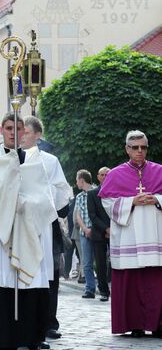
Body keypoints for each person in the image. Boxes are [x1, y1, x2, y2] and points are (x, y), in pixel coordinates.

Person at [0, 113, 57, 350]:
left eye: (18, 128)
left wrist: (27, 203)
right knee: (3, 285)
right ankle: (3, 339)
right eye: (9, 128)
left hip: (28, 231)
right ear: (1, 129)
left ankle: (29, 338)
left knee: (28, 288)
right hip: (1, 236)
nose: (13, 132)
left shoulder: (35, 162)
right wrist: (12, 198)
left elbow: (46, 200)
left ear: (24, 132)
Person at [99, 130, 162, 337]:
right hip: (129, 237)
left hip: (155, 236)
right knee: (131, 283)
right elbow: (107, 203)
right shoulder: (115, 174)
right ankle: (135, 325)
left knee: (155, 283)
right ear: (127, 149)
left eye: (143, 147)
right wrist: (131, 201)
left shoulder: (159, 170)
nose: (140, 151)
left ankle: (158, 325)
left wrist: (158, 200)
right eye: (135, 148)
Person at [21, 116, 72, 347]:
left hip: (46, 223)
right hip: (20, 224)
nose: (22, 135)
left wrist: (49, 199)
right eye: (21, 131)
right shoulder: (13, 158)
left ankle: (49, 323)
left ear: (38, 135)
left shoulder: (50, 161)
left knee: (49, 277)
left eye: (27, 132)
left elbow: (62, 194)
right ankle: (23, 324)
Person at [87, 166, 111, 302]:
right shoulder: (92, 194)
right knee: (101, 264)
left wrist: (112, 228)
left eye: (107, 174)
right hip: (99, 233)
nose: (104, 177)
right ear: (98, 177)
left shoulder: (117, 192)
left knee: (116, 263)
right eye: (102, 175)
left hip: (116, 231)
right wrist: (106, 229)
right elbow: (92, 215)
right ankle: (103, 291)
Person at [75, 169, 96, 299]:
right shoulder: (79, 197)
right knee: (87, 263)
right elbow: (78, 216)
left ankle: (103, 287)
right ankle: (90, 289)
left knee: (100, 261)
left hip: (97, 233)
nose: (76, 183)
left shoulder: (97, 192)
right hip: (84, 233)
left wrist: (93, 229)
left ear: (82, 180)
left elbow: (101, 213)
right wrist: (85, 229)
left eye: (77, 180)